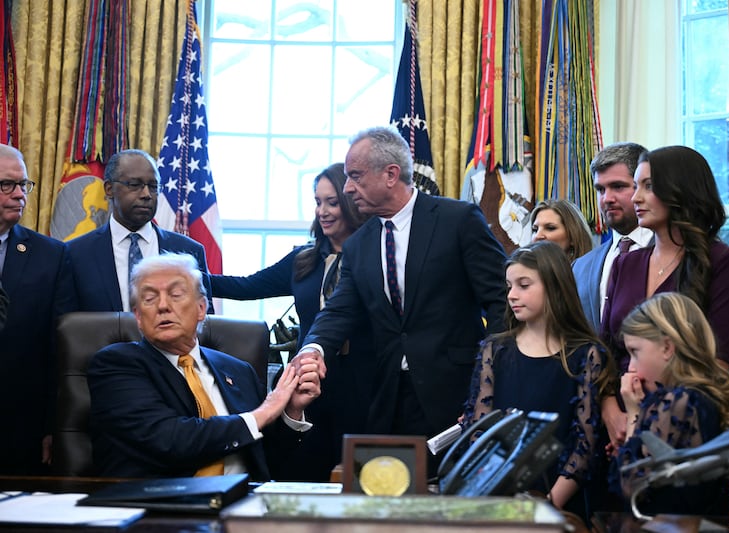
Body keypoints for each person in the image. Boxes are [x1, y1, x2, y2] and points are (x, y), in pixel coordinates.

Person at [299, 126, 508, 455]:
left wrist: (488, 383)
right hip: (387, 400)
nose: (348, 188)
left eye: (355, 176)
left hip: (457, 396)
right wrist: (311, 350)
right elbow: (339, 311)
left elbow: (501, 303)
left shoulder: (457, 221)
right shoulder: (359, 244)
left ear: (390, 175)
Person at [87, 253, 321, 479]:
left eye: (176, 294)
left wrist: (290, 411)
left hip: (241, 505)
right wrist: (266, 410)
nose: (163, 306)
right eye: (149, 299)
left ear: (201, 308)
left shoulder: (240, 372)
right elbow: (170, 440)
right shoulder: (116, 365)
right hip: (159, 510)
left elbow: (267, 462)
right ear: (138, 316)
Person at [211, 163, 374, 481]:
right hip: (308, 387)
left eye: (332, 202)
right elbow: (245, 286)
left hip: (365, 388)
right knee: (302, 477)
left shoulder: (377, 257)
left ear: (352, 203)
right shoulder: (304, 260)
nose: (322, 211)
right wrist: (188, 275)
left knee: (359, 482)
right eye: (317, 202)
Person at [600, 145, 729, 450]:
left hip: (685, 432)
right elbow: (604, 352)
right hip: (617, 429)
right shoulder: (626, 262)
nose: (635, 198)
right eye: (636, 186)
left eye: (649, 186)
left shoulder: (725, 263)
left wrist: (643, 423)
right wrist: (612, 414)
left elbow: (716, 364)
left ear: (681, 190)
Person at [462, 242, 611, 519]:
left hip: (559, 503)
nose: (512, 295)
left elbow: (585, 444)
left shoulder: (585, 354)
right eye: (509, 286)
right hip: (499, 500)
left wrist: (548, 504)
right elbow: (478, 432)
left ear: (554, 286)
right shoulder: (495, 350)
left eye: (524, 285)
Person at [613, 292, 729, 516]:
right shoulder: (702, 397)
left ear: (667, 348)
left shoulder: (678, 401)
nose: (630, 367)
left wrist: (634, 414)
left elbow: (633, 488)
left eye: (635, 352)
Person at [0, 144, 77, 475]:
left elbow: (57, 350)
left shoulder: (51, 256)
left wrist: (52, 426)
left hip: (19, 427)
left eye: (24, 185)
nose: (20, 195)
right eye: (8, 185)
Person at [67, 149, 215, 313]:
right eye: (134, 185)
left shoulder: (188, 251)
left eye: (153, 186)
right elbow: (68, 329)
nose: (146, 194)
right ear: (109, 189)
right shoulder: (75, 254)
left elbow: (205, 324)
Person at [572, 143, 652, 332]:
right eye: (600, 189)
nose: (606, 198)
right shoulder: (581, 267)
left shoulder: (672, 255)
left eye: (618, 186)